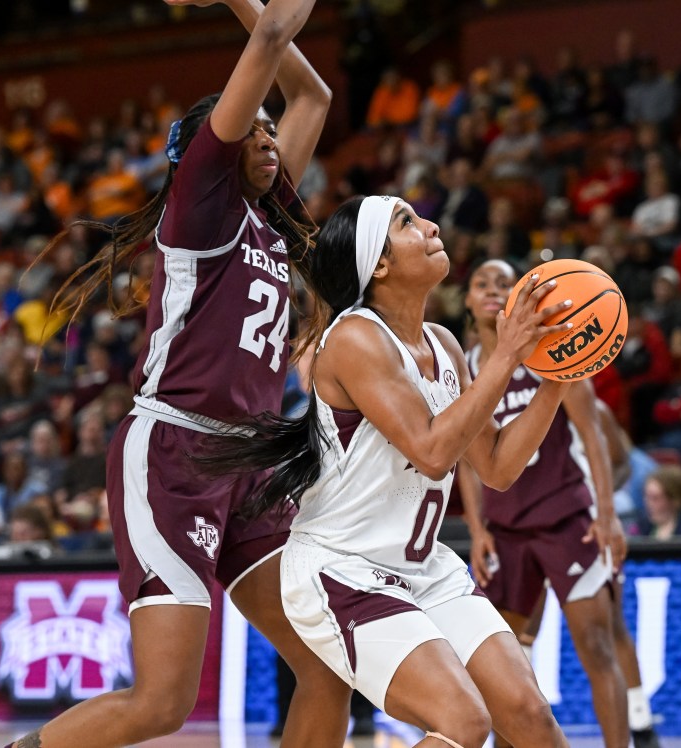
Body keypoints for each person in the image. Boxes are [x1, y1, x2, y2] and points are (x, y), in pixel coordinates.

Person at [5, 0, 339, 746]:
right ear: (203, 154)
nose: (267, 137)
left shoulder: (271, 216)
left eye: (266, 130)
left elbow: (313, 97)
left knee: (327, 662)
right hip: (174, 454)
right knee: (163, 704)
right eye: (251, 127)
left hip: (250, 465)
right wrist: (245, 7)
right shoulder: (200, 206)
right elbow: (276, 33)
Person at [200, 196, 573, 748]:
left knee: (530, 716)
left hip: (424, 569)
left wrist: (559, 373)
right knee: (463, 724)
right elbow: (431, 451)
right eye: (407, 222)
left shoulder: (444, 344)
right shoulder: (354, 338)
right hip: (345, 569)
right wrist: (505, 356)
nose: (431, 226)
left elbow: (496, 467)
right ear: (377, 263)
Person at [458, 259, 631, 748]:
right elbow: (467, 461)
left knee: (596, 646)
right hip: (506, 527)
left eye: (503, 282)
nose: (493, 289)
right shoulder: (465, 366)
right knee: (502, 662)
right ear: (469, 302)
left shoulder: (555, 350)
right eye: (481, 283)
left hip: (565, 518)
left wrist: (607, 513)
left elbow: (592, 434)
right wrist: (477, 530)